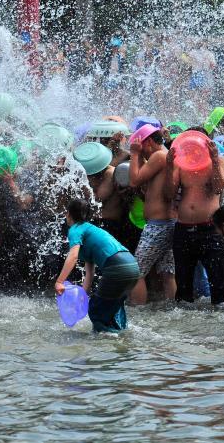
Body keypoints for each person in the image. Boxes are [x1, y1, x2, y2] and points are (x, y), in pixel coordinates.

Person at [55, 199, 140, 332]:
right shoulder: (91, 230)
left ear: (68, 214)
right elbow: (90, 271)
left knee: (96, 310)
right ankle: (122, 335)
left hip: (117, 268)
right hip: (133, 267)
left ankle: (106, 343)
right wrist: (83, 295)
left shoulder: (75, 229)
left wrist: (60, 281)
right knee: (112, 308)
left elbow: (73, 255)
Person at [164, 132, 224, 305]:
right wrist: (169, 165)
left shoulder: (219, 160)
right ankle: (184, 328)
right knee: (183, 286)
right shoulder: (180, 163)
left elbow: (218, 187)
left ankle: (219, 322)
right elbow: (169, 193)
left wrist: (213, 159)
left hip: (210, 229)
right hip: (183, 229)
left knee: (218, 283)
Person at [128, 125, 177, 304]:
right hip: (167, 223)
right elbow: (144, 187)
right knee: (167, 273)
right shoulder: (163, 157)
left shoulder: (158, 155)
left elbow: (134, 180)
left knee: (135, 272)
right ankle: (172, 307)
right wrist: (140, 156)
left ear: (148, 142)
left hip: (158, 225)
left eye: (142, 148)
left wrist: (134, 153)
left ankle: (137, 313)